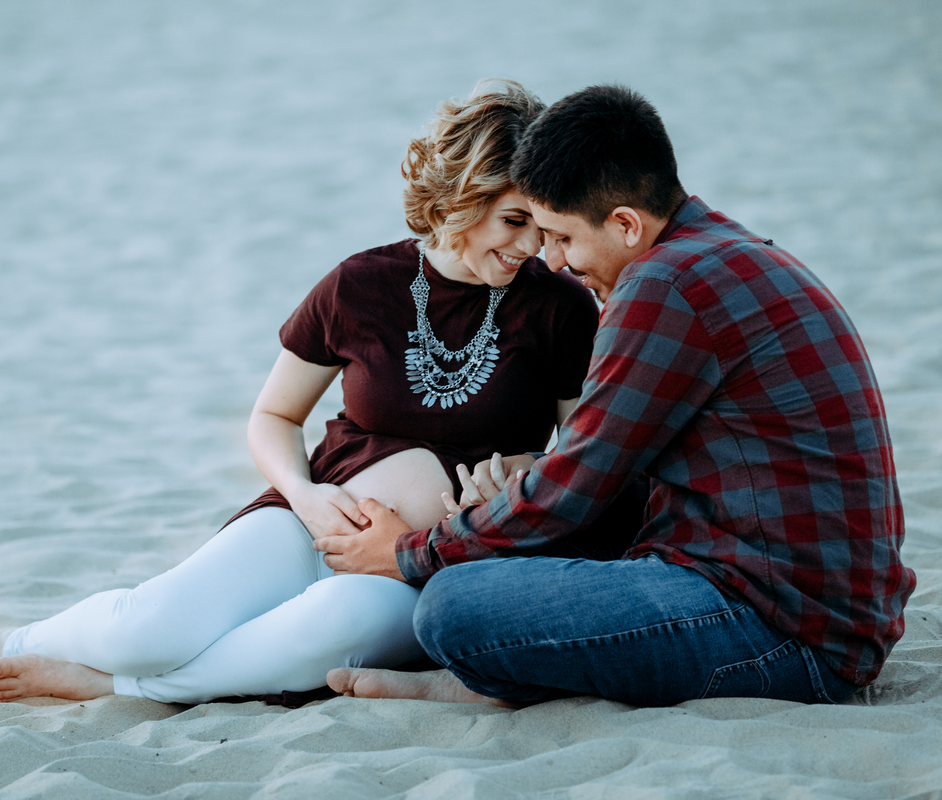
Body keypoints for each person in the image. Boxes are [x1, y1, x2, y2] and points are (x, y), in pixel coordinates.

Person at [0, 80, 601, 705]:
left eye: (542, 228)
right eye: (514, 222)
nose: (532, 248)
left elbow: (583, 456)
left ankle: (119, 689)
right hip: (315, 515)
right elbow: (274, 415)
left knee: (321, 634)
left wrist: (516, 481)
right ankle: (12, 639)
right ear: (462, 196)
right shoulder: (359, 285)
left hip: (426, 563)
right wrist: (304, 493)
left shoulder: (560, 308)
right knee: (152, 627)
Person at [320, 84, 916, 707]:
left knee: (451, 606)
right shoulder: (721, 251)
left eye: (563, 238)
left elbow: (574, 487)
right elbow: (603, 469)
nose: (549, 262)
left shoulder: (662, 284)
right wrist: (537, 474)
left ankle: (494, 685)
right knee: (502, 545)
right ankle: (523, 669)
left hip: (784, 630)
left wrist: (407, 554)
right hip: (796, 593)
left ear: (626, 224)